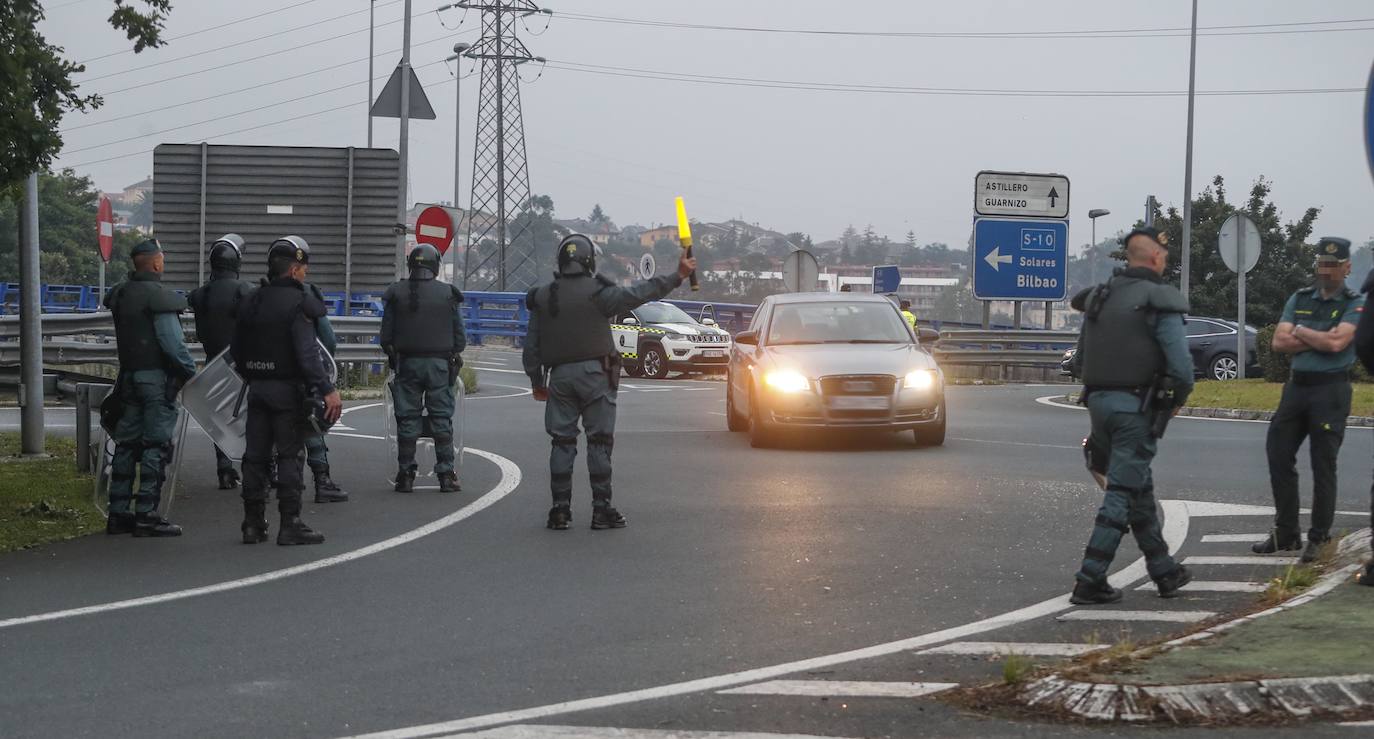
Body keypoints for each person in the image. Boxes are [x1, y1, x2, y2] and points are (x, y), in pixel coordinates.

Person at [523, 233, 696, 531]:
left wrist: (538, 382)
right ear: (589, 261)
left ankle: (559, 511)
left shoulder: (543, 296)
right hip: (596, 376)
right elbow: (642, 292)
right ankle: (601, 510)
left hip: (560, 378)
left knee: (562, 443)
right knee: (599, 443)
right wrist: (678, 275)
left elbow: (532, 349)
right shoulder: (600, 293)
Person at [1068, 227, 1194, 605]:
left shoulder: (1101, 297)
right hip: (1135, 410)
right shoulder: (1159, 300)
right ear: (1156, 257)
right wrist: (1176, 400)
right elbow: (1182, 368)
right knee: (1121, 492)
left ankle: (1164, 570)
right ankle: (1090, 578)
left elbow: (1080, 361)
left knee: (1138, 488)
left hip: (1098, 404)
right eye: (1165, 256)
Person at [1257, 237, 1363, 563]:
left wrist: (1300, 332)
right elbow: (1278, 341)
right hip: (1296, 388)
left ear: (1347, 268)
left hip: (1330, 391)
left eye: (1333, 265)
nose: (1326, 271)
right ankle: (1287, 531)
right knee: (1278, 451)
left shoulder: (1354, 302)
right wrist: (1318, 335)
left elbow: (1337, 344)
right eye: (1322, 264)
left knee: (1323, 464)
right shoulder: (1300, 297)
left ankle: (1319, 536)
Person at [231, 236, 342, 545]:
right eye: (303, 268)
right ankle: (290, 523)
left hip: (256, 390)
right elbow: (307, 353)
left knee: (254, 457)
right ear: (294, 270)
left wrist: (253, 374)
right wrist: (327, 389)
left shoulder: (251, 299)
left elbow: (236, 349)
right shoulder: (298, 303)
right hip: (287, 392)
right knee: (290, 456)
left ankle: (252, 524)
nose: (305, 274)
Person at [102, 238, 197, 537]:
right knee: (156, 444)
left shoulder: (120, 294)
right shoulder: (159, 297)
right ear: (156, 263)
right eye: (162, 258)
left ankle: (117, 513)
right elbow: (172, 344)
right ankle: (147, 514)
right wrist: (189, 372)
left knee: (127, 443)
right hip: (156, 381)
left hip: (128, 378)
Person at [380, 243, 466, 493]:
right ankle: (446, 476)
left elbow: (385, 337)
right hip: (439, 366)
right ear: (435, 266)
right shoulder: (448, 293)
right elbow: (460, 339)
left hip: (407, 364)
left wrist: (395, 356)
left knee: (407, 418)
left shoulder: (396, 293)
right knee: (441, 419)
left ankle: (406, 474)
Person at [188, 234, 254, 490]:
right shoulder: (244, 290)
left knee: (218, 419)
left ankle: (224, 469)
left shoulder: (200, 294)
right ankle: (256, 469)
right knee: (251, 417)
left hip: (212, 360)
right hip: (243, 361)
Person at [301, 282, 349, 504]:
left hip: (269, 379)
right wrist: (323, 370)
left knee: (271, 432)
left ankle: (266, 485)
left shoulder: (261, 297)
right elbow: (327, 339)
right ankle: (322, 481)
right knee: (311, 426)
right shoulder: (308, 296)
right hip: (304, 375)